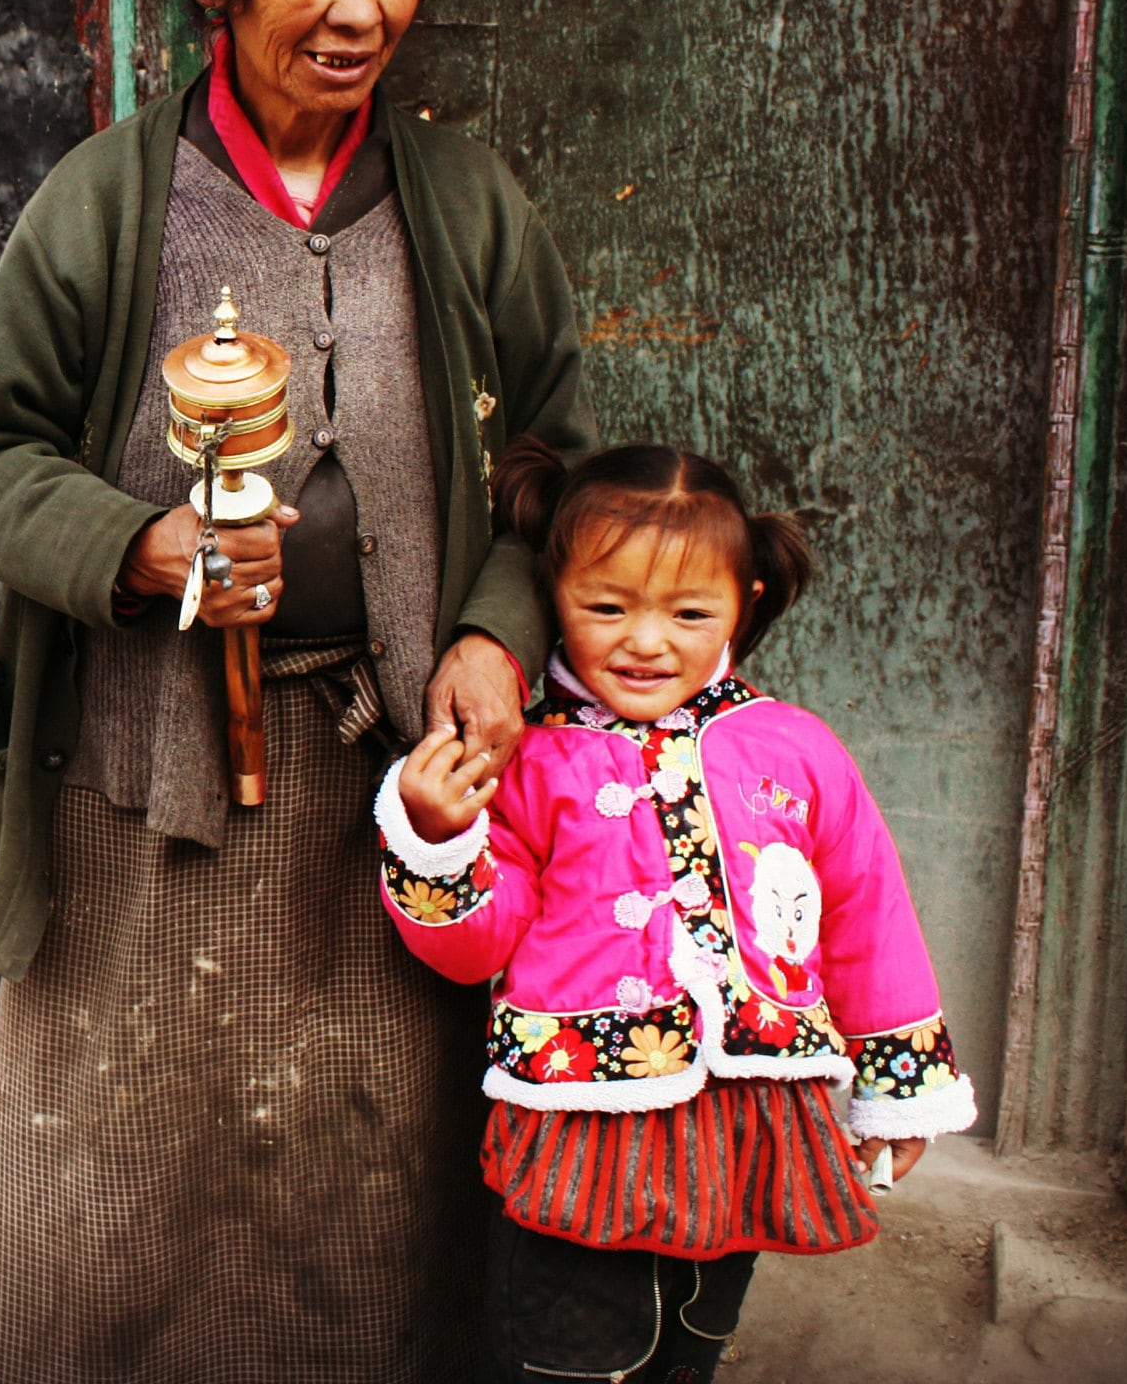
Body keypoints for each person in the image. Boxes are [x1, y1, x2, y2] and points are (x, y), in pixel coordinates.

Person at [0, 0, 594, 1381]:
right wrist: (142, 547)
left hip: (394, 776)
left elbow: (552, 460)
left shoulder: (467, 202)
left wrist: (496, 637)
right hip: (147, 778)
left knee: (361, 1179)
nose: (365, 8)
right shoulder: (108, 201)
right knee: (122, 1176)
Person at [381, 437, 978, 1383]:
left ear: (746, 602)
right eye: (606, 607)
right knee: (562, 1359)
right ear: (550, 601)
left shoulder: (798, 750)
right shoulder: (531, 763)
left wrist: (900, 1086)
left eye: (689, 612)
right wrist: (436, 837)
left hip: (749, 1126)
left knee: (691, 1348)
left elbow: (868, 919)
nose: (646, 642)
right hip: (580, 1122)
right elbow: (473, 950)